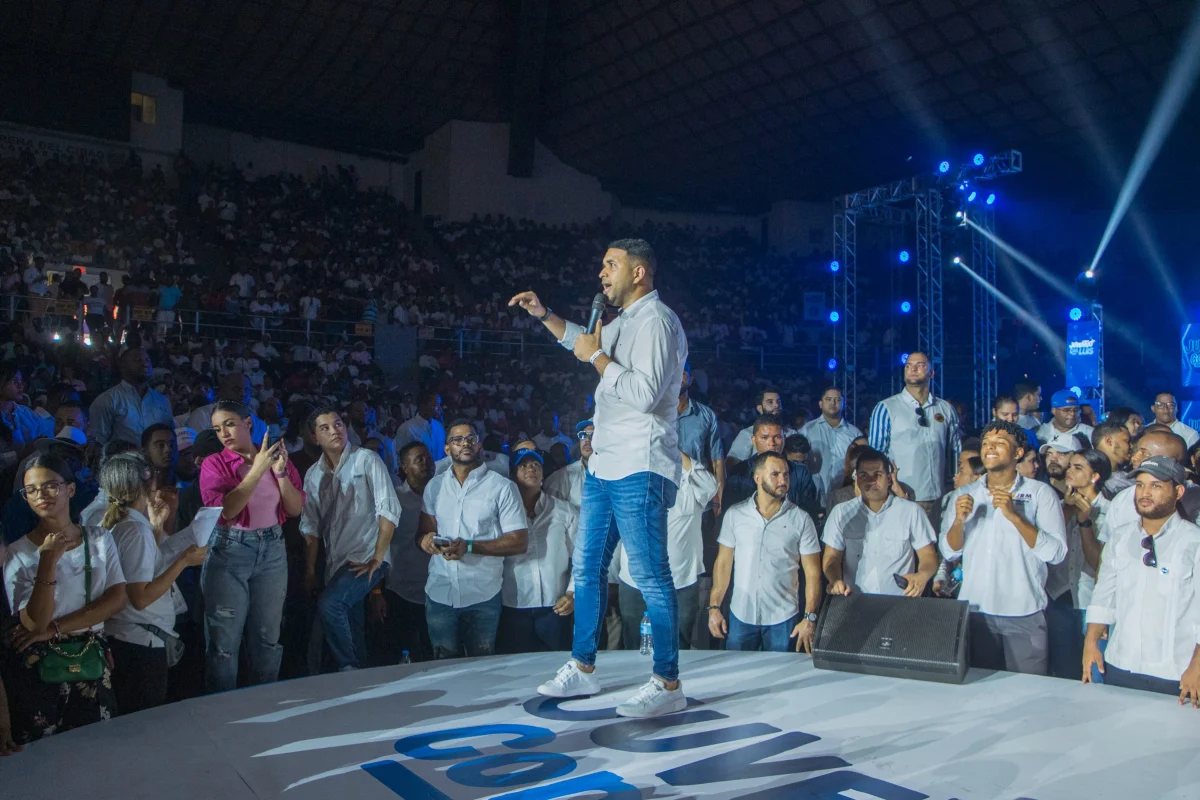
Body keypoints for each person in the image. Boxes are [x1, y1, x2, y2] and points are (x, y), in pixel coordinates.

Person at [512, 238, 691, 718]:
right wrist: (545, 314)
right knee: (587, 568)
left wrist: (596, 358)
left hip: (641, 464)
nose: (600, 273)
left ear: (638, 272)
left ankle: (668, 682)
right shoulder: (624, 322)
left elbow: (645, 394)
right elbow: (583, 341)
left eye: (610, 265)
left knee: (651, 574)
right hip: (608, 466)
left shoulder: (656, 321)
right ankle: (583, 669)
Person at [2, 455, 127, 743]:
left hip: (90, 658)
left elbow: (117, 599)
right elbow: (34, 623)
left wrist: (55, 629)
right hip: (41, 666)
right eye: (30, 490)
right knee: (44, 756)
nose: (40, 495)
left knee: (97, 746)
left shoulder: (99, 538)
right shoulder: (19, 553)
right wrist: (47, 559)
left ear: (70, 489)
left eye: (49, 486)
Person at [940, 420, 1066, 674]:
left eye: (999, 443)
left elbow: (1056, 553)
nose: (990, 449)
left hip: (1024, 611)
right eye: (986, 444)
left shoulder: (1041, 494)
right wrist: (958, 522)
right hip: (975, 611)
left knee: (1028, 695)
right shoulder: (964, 494)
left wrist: (1015, 517)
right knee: (979, 692)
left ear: (1018, 452)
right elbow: (949, 551)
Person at [199, 399, 304, 693]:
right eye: (218, 429)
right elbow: (227, 510)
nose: (224, 434)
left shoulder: (275, 456)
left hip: (272, 549)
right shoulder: (214, 463)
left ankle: (264, 705)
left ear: (248, 423)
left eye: (230, 424)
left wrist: (280, 472)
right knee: (224, 645)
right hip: (230, 551)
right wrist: (257, 469)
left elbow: (295, 509)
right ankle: (222, 714)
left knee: (268, 639)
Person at [1084, 456, 1200, 702]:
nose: (1145, 493)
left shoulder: (1194, 541)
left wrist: (1197, 666)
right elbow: (1104, 593)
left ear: (1178, 491)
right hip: (1121, 663)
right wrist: (1091, 641)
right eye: (1140, 485)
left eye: (1156, 486)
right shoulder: (1121, 536)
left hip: (1176, 671)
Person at [102, 452, 208, 712]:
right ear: (146, 483)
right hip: (139, 644)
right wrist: (183, 560)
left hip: (132, 639)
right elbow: (140, 597)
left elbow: (143, 571)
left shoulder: (128, 526)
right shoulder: (135, 531)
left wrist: (157, 528)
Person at [417, 420, 529, 659]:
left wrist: (469, 546)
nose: (465, 443)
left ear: (479, 446)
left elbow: (519, 541)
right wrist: (425, 541)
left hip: (482, 595)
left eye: (471, 438)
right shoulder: (434, 486)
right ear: (447, 449)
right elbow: (424, 532)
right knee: (443, 666)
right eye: (457, 440)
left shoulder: (502, 488)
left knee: (482, 668)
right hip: (440, 592)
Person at [300, 406, 401, 671]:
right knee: (352, 624)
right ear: (314, 438)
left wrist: (377, 559)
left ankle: (349, 668)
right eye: (325, 428)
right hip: (337, 562)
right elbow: (310, 526)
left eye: (338, 424)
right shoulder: (313, 474)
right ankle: (361, 681)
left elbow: (389, 510)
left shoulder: (366, 459)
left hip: (367, 556)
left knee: (331, 605)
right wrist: (310, 570)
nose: (335, 430)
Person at [708, 452, 822, 652]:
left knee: (781, 678)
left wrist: (809, 618)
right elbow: (723, 564)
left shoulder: (801, 520)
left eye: (786, 474)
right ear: (757, 478)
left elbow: (813, 573)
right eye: (775, 474)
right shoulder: (735, 515)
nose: (783, 480)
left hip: (783, 616)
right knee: (736, 676)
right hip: (742, 613)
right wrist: (714, 607)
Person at [614, 451, 715, 650]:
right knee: (635, 645)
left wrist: (668, 445)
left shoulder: (688, 485)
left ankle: (672, 682)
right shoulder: (630, 483)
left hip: (681, 582)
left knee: (679, 644)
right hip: (634, 582)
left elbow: (710, 484)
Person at [823, 448, 938, 598]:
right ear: (856, 478)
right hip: (853, 600)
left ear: (889, 478)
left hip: (899, 602)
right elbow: (831, 557)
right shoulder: (841, 513)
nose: (871, 481)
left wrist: (922, 576)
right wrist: (835, 580)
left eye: (877, 475)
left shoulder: (911, 511)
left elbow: (928, 555)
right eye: (864, 475)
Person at [498, 448, 577, 653]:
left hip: (555, 605)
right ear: (513, 475)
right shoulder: (500, 514)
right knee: (518, 669)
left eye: (536, 465)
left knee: (555, 666)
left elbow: (582, 556)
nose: (531, 469)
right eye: (523, 465)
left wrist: (572, 593)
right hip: (513, 604)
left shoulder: (563, 510)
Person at [1044, 449, 1111, 680]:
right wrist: (1069, 509)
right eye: (1070, 465)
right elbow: (1046, 546)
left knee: (1093, 673)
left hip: (1090, 601)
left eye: (1078, 467)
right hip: (1058, 596)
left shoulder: (1109, 512)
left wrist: (1085, 523)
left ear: (1095, 476)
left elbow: (1097, 563)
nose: (1069, 471)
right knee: (1063, 673)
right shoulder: (1056, 506)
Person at [868, 351, 961, 513]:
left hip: (940, 496)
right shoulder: (886, 408)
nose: (913, 369)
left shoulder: (945, 409)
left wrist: (952, 485)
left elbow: (954, 451)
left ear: (931, 372)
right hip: (901, 496)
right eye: (908, 366)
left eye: (920, 365)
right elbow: (875, 456)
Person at [372, 441, 436, 663]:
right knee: (400, 654)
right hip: (402, 590)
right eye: (419, 459)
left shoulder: (445, 494)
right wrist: (377, 593)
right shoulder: (394, 499)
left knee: (433, 656)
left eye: (428, 457)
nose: (426, 463)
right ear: (404, 467)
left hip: (438, 591)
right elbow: (379, 546)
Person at [723, 415, 820, 518]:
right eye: (765, 438)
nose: (772, 443)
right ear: (754, 440)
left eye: (777, 437)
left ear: (784, 438)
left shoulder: (800, 473)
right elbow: (729, 514)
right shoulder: (739, 472)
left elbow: (808, 514)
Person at [87, 347, 174, 448]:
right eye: (138, 360)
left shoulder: (162, 400)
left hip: (156, 463)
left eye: (147, 360)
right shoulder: (107, 400)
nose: (145, 364)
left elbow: (170, 436)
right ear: (122, 366)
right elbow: (98, 444)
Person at [676, 363, 724, 512]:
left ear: (690, 379)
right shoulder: (656, 413)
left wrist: (719, 502)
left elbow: (717, 461)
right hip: (667, 493)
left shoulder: (706, 415)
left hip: (700, 494)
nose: (677, 376)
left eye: (682, 373)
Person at [801, 386, 863, 494]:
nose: (833, 403)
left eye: (837, 400)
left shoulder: (854, 433)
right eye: (828, 399)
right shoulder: (807, 429)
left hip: (846, 494)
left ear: (843, 404)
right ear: (820, 404)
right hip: (814, 493)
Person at [726, 388, 793, 465]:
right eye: (770, 402)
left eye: (778, 402)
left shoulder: (792, 433)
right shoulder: (747, 434)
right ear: (760, 408)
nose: (776, 405)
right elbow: (732, 465)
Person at [543, 420, 592, 510]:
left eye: (593, 435)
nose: (587, 439)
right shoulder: (561, 477)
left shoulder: (614, 475)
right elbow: (552, 516)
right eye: (583, 435)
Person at [393, 389, 446, 459]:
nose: (439, 408)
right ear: (423, 406)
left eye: (439, 404)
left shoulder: (439, 427)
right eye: (435, 405)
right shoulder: (406, 428)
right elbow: (400, 458)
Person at [1091, 420, 1133, 496]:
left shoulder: (1133, 477)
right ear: (1109, 441)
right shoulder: (1088, 477)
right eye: (1127, 441)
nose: (1131, 446)